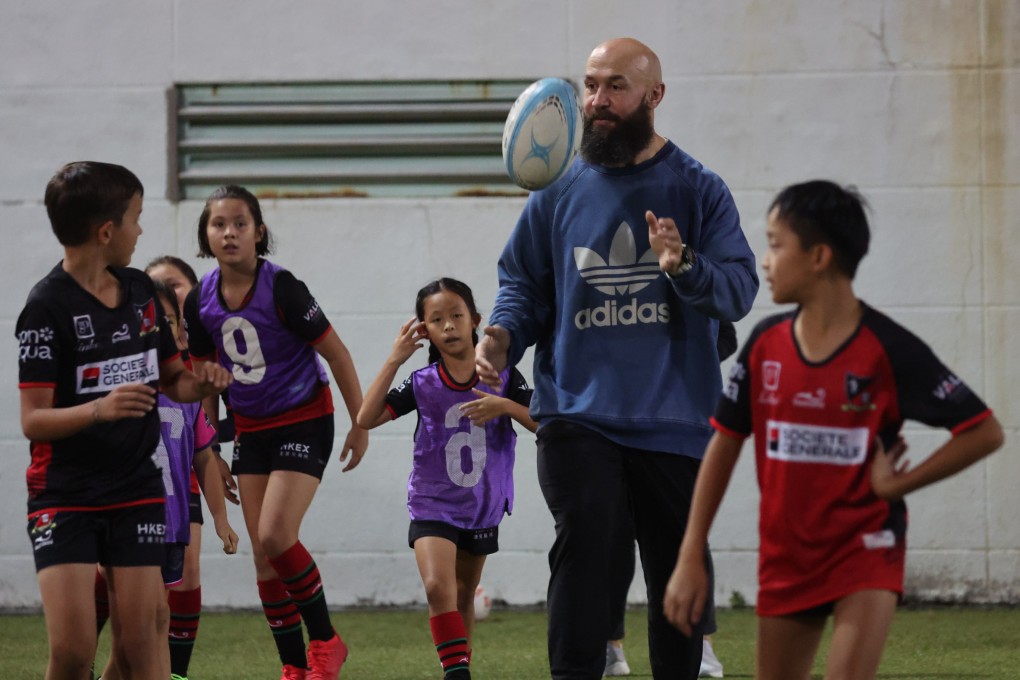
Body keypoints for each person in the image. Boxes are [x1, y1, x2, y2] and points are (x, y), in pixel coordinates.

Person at [475, 38, 758, 680]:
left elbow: (739, 289)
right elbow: (522, 282)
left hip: (674, 419)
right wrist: (503, 335)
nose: (598, 102)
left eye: (615, 87)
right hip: (577, 413)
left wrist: (683, 265)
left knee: (674, 573)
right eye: (591, 84)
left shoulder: (698, 187)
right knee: (585, 549)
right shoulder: (555, 189)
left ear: (654, 97)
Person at [663, 180, 1005, 680]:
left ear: (819, 256)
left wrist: (899, 484)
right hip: (786, 556)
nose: (764, 259)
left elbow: (984, 430)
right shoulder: (764, 345)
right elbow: (724, 446)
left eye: (777, 244)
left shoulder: (888, 348)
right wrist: (691, 553)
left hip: (866, 552)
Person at [16, 161, 232, 680]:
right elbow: (33, 421)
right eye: (135, 218)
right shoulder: (46, 308)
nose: (140, 230)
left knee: (140, 648)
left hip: (136, 489)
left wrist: (200, 384)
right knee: (72, 654)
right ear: (106, 231)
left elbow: (172, 380)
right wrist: (99, 409)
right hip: (65, 495)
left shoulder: (139, 292)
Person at [183, 184, 369, 680]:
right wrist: (212, 447)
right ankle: (293, 667)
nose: (229, 233)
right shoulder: (200, 300)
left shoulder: (283, 287)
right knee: (263, 560)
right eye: (218, 224)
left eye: (240, 223)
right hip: (250, 428)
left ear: (259, 232)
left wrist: (361, 422)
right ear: (205, 235)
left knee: (275, 533)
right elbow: (204, 377)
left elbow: (338, 353)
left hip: (305, 419)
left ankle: (327, 641)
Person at [357, 278, 537, 680]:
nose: (449, 326)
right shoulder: (422, 383)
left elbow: (544, 422)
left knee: (462, 594)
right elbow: (365, 418)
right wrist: (394, 359)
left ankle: (459, 666)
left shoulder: (504, 376)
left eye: (456, 316)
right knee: (439, 587)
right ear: (424, 330)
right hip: (432, 501)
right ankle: (458, 675)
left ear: (474, 320)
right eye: (437, 320)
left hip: (482, 504)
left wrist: (504, 406)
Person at [96, 278, 240, 680]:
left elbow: (205, 458)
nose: (172, 331)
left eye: (175, 322)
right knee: (139, 630)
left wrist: (220, 520)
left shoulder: (186, 393)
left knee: (152, 624)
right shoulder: (116, 389)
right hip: (128, 527)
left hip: (173, 527)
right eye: (160, 321)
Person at [606, 322, 737, 679]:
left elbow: (727, 337)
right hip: (611, 423)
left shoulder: (690, 279)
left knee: (687, 543)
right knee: (611, 541)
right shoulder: (604, 298)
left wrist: (674, 361)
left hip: (673, 425)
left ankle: (702, 642)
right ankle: (611, 643)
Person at [150, 255, 240, 680]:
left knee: (178, 582)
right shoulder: (125, 383)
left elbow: (204, 453)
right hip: (129, 507)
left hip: (176, 501)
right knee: (140, 610)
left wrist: (222, 520)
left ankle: (174, 672)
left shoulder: (188, 385)